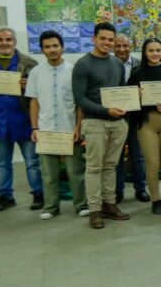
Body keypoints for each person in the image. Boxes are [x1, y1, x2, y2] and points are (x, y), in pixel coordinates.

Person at [0, 26, 42, 212]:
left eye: (8, 40)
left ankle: (38, 194)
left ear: (15, 42)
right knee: (2, 163)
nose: (4, 43)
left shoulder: (29, 63)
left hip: (24, 120)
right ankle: (6, 196)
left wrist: (29, 86)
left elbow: (38, 93)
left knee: (32, 161)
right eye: (0, 40)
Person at [72, 22, 129, 229]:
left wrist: (131, 99)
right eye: (103, 38)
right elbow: (80, 99)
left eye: (110, 39)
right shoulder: (83, 64)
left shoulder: (118, 64)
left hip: (117, 123)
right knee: (94, 167)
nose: (107, 42)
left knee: (110, 166)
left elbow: (121, 92)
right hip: (94, 123)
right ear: (93, 39)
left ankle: (109, 204)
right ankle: (95, 210)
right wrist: (106, 111)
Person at [26, 30, 87, 220]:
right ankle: (51, 207)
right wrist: (35, 128)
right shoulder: (36, 73)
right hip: (46, 131)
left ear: (62, 47)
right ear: (42, 49)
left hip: (70, 130)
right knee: (49, 174)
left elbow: (79, 103)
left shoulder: (73, 71)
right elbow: (34, 102)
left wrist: (78, 127)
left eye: (55, 46)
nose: (52, 50)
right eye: (47, 47)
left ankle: (81, 205)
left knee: (75, 171)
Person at [128, 38, 161, 215]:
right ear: (145, 52)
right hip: (146, 123)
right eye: (151, 50)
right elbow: (128, 100)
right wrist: (135, 95)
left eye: (158, 50)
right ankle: (155, 199)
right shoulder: (136, 73)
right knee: (152, 163)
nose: (155, 54)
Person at [113, 34, 149, 203]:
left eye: (125, 45)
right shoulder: (108, 65)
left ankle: (140, 189)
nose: (122, 49)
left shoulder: (140, 65)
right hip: (114, 117)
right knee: (116, 156)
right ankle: (118, 190)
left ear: (131, 46)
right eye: (118, 46)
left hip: (135, 117)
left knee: (138, 156)